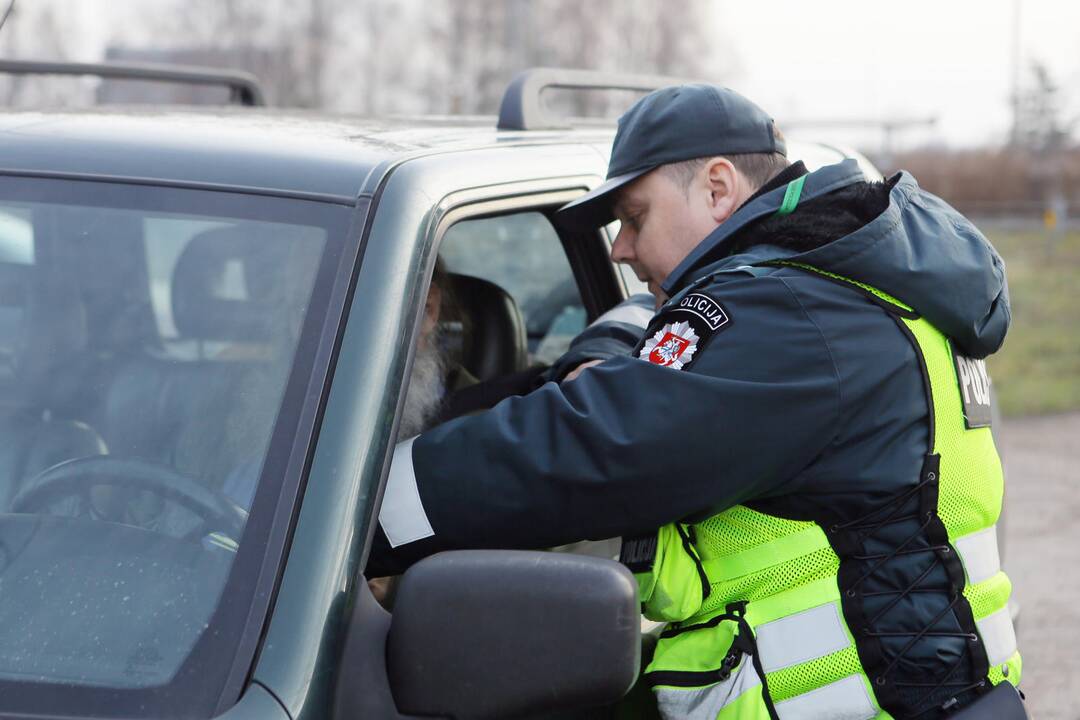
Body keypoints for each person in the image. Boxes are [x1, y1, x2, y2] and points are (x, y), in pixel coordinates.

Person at [368, 84, 1021, 718]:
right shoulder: (848, 286)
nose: (621, 248)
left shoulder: (791, 317)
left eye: (634, 216)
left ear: (716, 187)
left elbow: (586, 446)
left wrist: (363, 508)